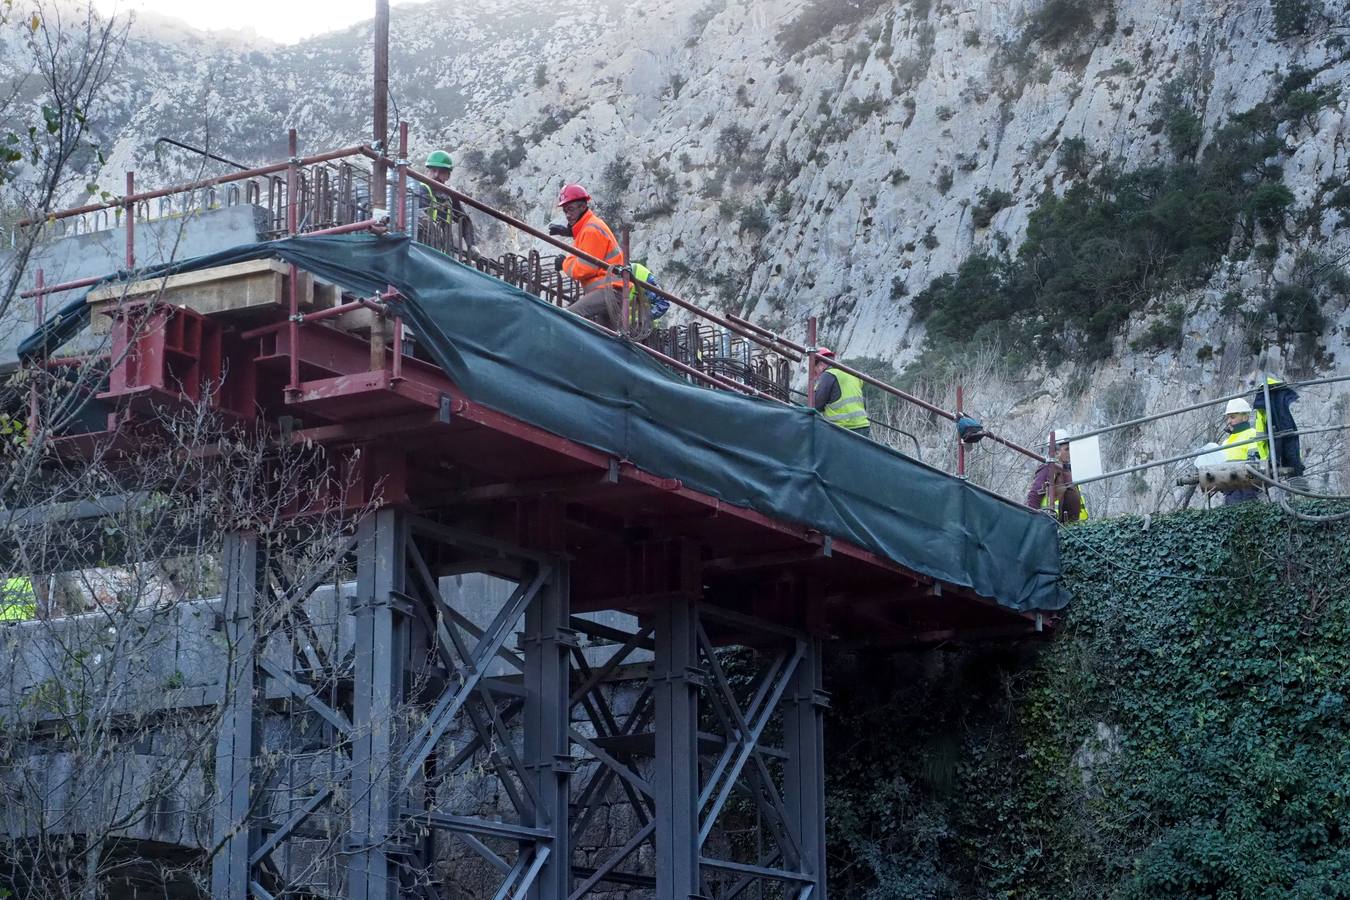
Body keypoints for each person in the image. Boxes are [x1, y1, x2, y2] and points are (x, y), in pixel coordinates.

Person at [553, 184, 626, 328]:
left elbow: (585, 268)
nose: (567, 214)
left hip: (608, 291)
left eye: (571, 209)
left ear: (582, 206)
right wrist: (570, 232)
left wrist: (564, 264)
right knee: (607, 337)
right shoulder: (587, 228)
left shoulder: (591, 230)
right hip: (608, 292)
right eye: (565, 210)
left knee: (569, 315)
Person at [1025, 430, 1089, 523]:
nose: (1070, 452)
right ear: (1055, 452)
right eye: (1067, 449)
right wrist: (1033, 523)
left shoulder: (1069, 470)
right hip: (1053, 525)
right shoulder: (1048, 469)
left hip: (1073, 526)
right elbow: (1034, 497)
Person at [420, 150, 475, 251]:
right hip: (423, 246)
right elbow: (417, 213)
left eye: (441, 172)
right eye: (433, 170)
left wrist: (472, 245)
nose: (436, 175)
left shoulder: (449, 196)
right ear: (427, 171)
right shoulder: (421, 190)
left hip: (443, 249)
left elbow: (464, 219)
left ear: (448, 176)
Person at [810, 348, 871, 437]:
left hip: (844, 428)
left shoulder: (828, 375)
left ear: (821, 364)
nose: (816, 375)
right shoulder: (850, 373)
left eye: (815, 371)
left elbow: (816, 404)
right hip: (863, 426)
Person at [1220, 398, 1269, 505]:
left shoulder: (1252, 434)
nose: (1229, 421)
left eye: (1232, 417)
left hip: (1248, 489)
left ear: (1245, 417)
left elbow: (1256, 464)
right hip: (1229, 492)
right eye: (1228, 418)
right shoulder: (1226, 442)